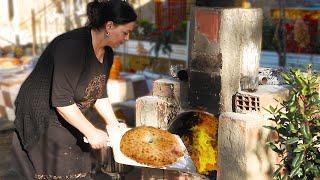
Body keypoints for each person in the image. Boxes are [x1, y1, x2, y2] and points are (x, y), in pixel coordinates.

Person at [11, 0, 137, 179]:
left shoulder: (107, 53)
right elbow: (62, 102)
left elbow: (99, 93)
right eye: (125, 32)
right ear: (109, 26)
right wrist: (91, 132)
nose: (127, 38)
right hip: (42, 114)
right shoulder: (72, 47)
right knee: (62, 167)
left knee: (82, 162)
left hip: (68, 108)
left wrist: (114, 124)